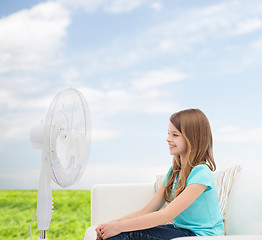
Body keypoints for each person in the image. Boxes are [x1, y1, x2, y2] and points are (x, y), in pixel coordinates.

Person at [96, 108, 224, 240]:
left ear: (192, 138)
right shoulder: (174, 172)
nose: (168, 139)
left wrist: (120, 227)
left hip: (199, 236)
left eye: (175, 135)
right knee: (115, 233)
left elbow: (166, 215)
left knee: (123, 234)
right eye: (169, 134)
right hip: (179, 230)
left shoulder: (201, 173)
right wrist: (112, 224)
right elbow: (146, 211)